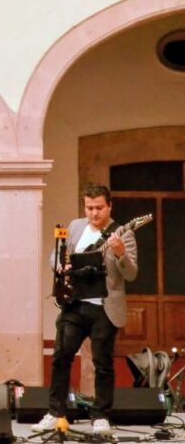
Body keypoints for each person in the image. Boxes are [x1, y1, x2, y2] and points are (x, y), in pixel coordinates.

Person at [33, 184, 138, 435]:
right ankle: (55, 412)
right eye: (89, 208)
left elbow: (131, 274)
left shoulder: (123, 234)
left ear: (109, 206)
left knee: (102, 363)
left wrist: (121, 253)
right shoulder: (76, 226)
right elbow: (55, 255)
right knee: (61, 358)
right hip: (74, 304)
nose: (94, 213)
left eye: (99, 208)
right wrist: (60, 266)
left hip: (105, 307)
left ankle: (101, 416)